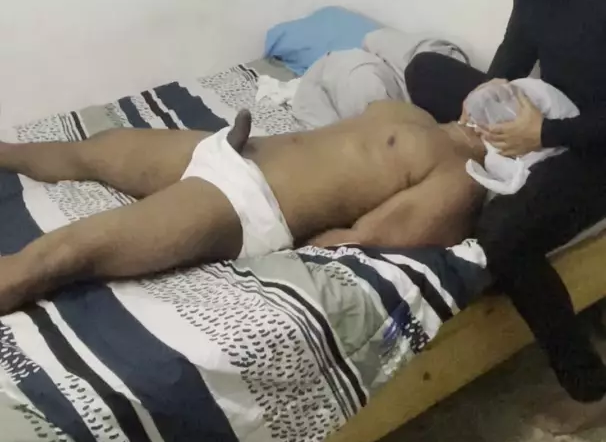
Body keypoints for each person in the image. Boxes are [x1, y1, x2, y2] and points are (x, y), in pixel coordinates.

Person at [405, 0, 606, 431]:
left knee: (502, 235)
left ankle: (590, 390)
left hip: (592, 147)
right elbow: (517, 47)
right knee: (424, 70)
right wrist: (489, 91)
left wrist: (544, 135)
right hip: (543, 112)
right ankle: (485, 147)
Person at [0, 103, 486, 315]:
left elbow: (373, 236)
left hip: (249, 201)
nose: (494, 105)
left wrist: (304, 233)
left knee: (64, 254)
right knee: (98, 148)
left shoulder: (460, 174)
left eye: (513, 107)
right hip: (228, 149)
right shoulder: (411, 112)